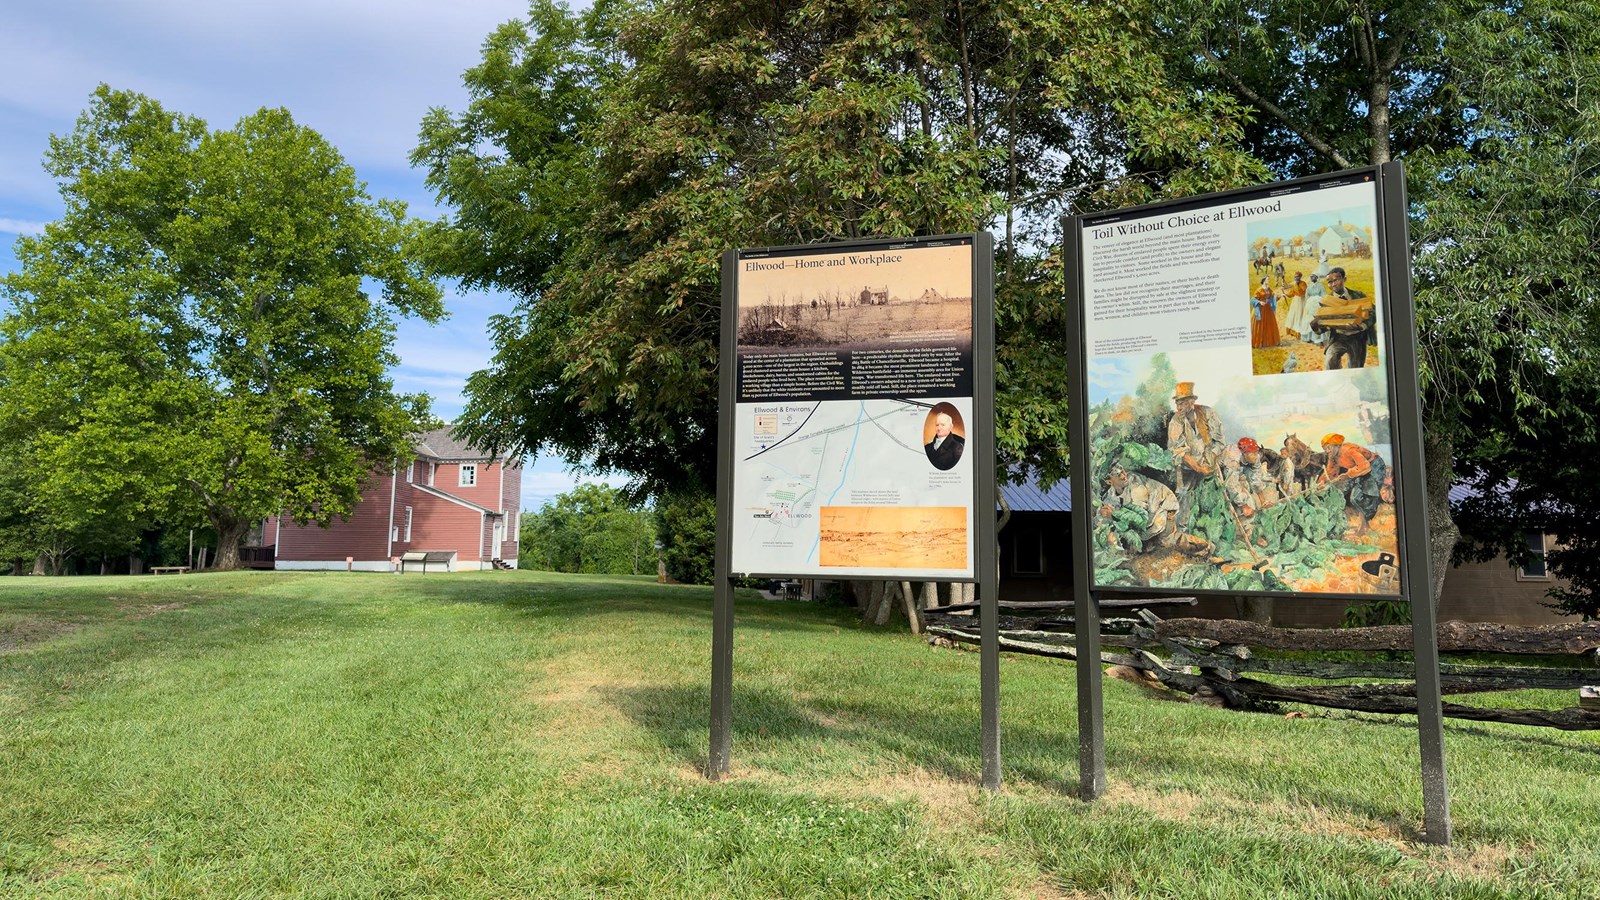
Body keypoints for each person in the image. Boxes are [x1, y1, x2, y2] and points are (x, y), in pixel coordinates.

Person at [1099, 463, 1214, 556]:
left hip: (1163, 506)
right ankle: (1202, 552)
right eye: (1118, 475)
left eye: (1123, 472)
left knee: (1169, 541)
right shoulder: (1110, 495)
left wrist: (1114, 515)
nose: (1123, 476)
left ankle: (1207, 547)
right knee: (1148, 546)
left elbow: (1140, 516)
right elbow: (1105, 516)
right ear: (1109, 482)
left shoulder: (1135, 485)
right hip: (1150, 516)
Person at [1167, 382, 1224, 531]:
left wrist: (1210, 460)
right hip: (1187, 466)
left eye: (1183, 403)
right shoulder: (1176, 421)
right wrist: (1198, 467)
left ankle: (1207, 529)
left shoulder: (1208, 413)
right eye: (1177, 403)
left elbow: (1219, 440)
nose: (1179, 407)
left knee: (1211, 496)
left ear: (1192, 402)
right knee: (1184, 495)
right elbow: (1179, 450)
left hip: (1209, 463)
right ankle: (1182, 532)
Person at [1318, 433, 1388, 535]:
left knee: (1358, 496)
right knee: (1342, 492)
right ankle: (1362, 525)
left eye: (1328, 448)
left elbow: (1365, 466)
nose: (1327, 451)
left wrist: (1348, 474)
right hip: (1359, 471)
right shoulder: (1333, 457)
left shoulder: (1348, 450)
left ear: (1337, 445)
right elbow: (1330, 472)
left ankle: (1365, 526)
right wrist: (1321, 483)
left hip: (1374, 467)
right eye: (1325, 449)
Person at [1312, 267, 1374, 368]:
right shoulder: (1327, 302)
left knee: (1355, 367)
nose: (1333, 284)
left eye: (1336, 280)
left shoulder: (1358, 295)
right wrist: (1316, 326)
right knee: (1330, 361)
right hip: (1338, 338)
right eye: (1329, 282)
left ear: (1344, 279)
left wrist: (1362, 326)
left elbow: (1372, 313)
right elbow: (1324, 326)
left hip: (1357, 338)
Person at [1224, 437, 1295, 517]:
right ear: (1245, 453)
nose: (1256, 456)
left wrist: (1263, 501)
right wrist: (1244, 506)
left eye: (1256, 453)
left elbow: (1255, 478)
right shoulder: (1233, 458)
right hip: (1226, 473)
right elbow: (1231, 483)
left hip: (1240, 470)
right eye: (1253, 453)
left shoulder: (1255, 457)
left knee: (1251, 502)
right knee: (1238, 506)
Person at [1250, 278, 1280, 348]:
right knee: (1260, 325)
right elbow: (1252, 299)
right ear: (1264, 281)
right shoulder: (1259, 290)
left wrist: (1280, 296)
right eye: (1268, 280)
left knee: (1269, 324)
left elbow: (1273, 296)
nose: (1269, 281)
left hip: (1268, 309)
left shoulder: (1268, 289)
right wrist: (1260, 302)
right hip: (1260, 309)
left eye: (1269, 279)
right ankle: (1259, 342)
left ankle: (1268, 342)